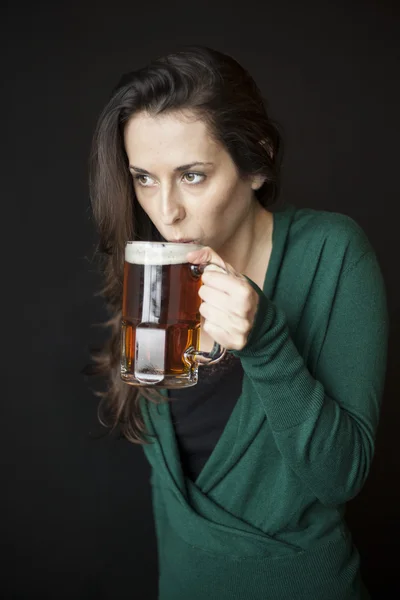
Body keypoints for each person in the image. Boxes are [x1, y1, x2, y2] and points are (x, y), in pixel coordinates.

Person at [87, 45, 389, 600]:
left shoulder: (334, 253)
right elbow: (174, 499)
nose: (166, 210)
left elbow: (342, 476)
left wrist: (269, 343)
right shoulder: (150, 272)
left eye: (193, 176)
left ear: (257, 162)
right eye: (144, 178)